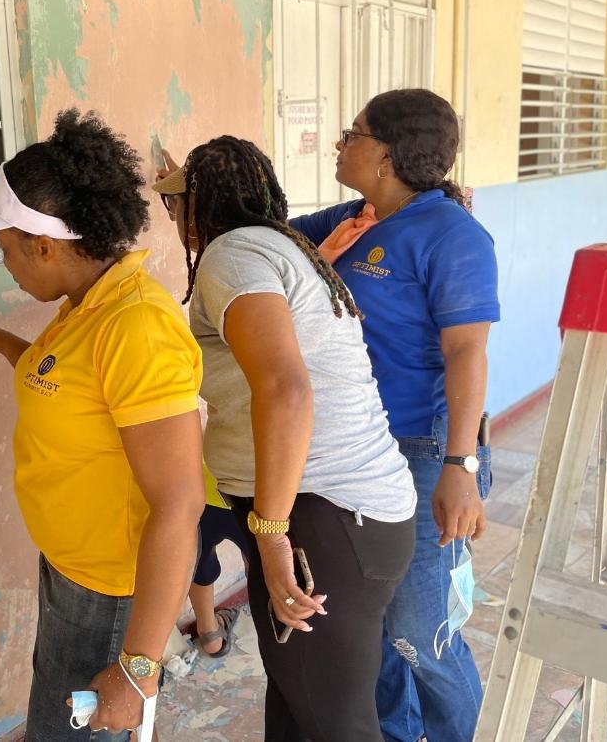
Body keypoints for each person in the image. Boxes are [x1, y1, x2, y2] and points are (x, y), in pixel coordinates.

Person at [0, 109, 205, 741]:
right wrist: (3, 342)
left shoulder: (135, 326)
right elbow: (72, 388)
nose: (4, 265)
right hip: (72, 572)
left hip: (112, 597)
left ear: (45, 246)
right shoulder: (86, 305)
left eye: (5, 250)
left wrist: (139, 667)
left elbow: (179, 501)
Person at [153, 136, 417, 741]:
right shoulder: (282, 249)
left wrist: (271, 536)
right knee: (299, 706)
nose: (175, 222)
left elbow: (286, 389)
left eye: (177, 207)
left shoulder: (231, 256)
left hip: (324, 517)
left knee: (335, 723)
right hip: (350, 516)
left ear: (201, 205)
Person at [289, 88, 498, 742]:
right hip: (355, 451)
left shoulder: (452, 235)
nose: (339, 144)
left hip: (424, 454)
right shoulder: (356, 216)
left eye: (351, 133)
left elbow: (466, 351)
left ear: (384, 153)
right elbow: (274, 244)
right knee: (370, 628)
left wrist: (460, 465)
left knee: (419, 634)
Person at [188, 465, 247, 657]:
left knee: (198, 561)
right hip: (247, 491)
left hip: (195, 486)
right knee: (261, 563)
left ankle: (210, 636)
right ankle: (271, 625)